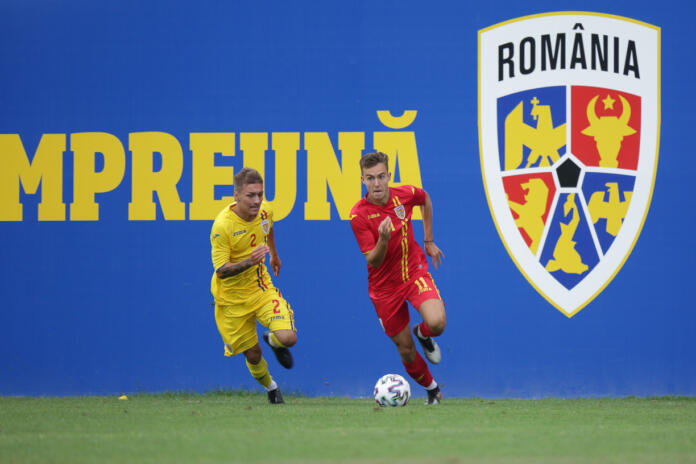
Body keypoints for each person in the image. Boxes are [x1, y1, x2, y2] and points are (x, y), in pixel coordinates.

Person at [350, 152, 447, 405]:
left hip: (413, 272)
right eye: (370, 178)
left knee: (437, 323)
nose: (376, 183)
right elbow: (373, 260)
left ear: (389, 176)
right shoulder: (358, 215)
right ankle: (433, 389)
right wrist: (383, 240)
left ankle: (423, 334)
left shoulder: (404, 195)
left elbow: (425, 198)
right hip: (384, 289)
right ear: (363, 180)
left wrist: (428, 239)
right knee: (405, 349)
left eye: (381, 176)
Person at [210, 167, 297, 404]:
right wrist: (250, 261)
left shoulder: (265, 211)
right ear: (236, 195)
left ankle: (274, 341)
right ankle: (272, 387)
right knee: (253, 354)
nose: (257, 200)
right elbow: (221, 271)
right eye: (251, 195)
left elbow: (268, 229)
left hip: (260, 289)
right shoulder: (222, 226)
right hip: (231, 300)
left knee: (288, 337)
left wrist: (274, 255)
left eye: (260, 194)